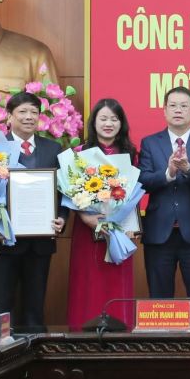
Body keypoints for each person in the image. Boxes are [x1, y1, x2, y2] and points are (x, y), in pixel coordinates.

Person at [0, 91, 66, 332]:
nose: (29, 117)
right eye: (22, 112)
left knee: (35, 306)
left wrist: (62, 220)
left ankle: (37, 357)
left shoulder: (53, 149)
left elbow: (64, 192)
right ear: (9, 117)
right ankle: (2, 358)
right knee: (2, 307)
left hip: (40, 241)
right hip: (3, 239)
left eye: (34, 112)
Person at [138, 86, 190, 330]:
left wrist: (187, 170)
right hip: (159, 234)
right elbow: (144, 181)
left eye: (184, 105)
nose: (178, 110)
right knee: (160, 301)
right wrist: (169, 173)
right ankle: (161, 349)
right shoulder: (150, 142)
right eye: (173, 105)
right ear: (164, 110)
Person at [67, 98, 138, 331]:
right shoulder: (79, 154)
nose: (109, 123)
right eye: (103, 118)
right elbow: (68, 192)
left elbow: (134, 195)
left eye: (114, 119)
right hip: (87, 230)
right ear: (94, 122)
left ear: (121, 123)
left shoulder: (131, 154)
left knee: (116, 281)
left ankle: (119, 331)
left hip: (120, 231)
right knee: (88, 281)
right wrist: (84, 216)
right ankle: (83, 331)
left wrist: (129, 224)